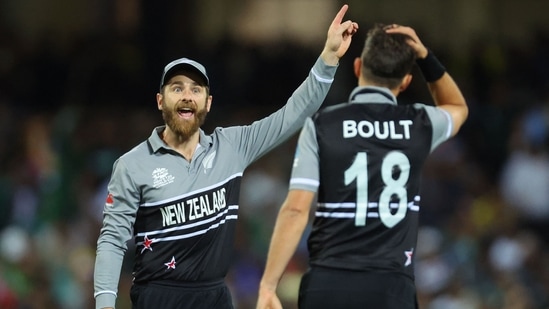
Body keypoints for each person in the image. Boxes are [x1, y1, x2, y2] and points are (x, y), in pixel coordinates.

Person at [93, 4, 358, 309]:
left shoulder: (231, 146)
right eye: (176, 87)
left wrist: (328, 58)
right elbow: (112, 240)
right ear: (160, 101)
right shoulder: (132, 165)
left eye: (196, 89)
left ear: (207, 103)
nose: (186, 95)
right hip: (158, 297)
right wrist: (104, 305)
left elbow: (291, 115)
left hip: (215, 297)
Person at [256, 23, 468, 309]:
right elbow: (457, 107)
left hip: (328, 282)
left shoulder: (322, 125)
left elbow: (296, 210)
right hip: (391, 287)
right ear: (405, 83)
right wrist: (425, 57)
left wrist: (269, 285)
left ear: (357, 67)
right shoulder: (420, 123)